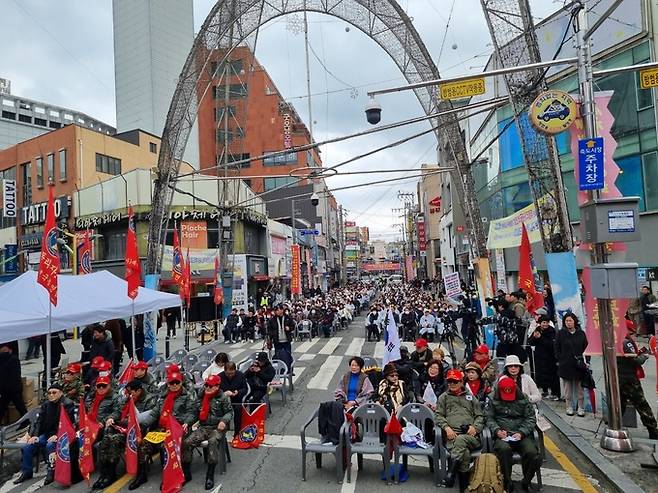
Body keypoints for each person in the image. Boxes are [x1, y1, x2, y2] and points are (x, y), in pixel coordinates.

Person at [129, 371, 197, 490]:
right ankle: (142, 475)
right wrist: (143, 425)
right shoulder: (163, 397)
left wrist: (186, 422)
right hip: (162, 429)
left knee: (164, 446)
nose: (174, 385)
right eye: (172, 383)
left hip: (178, 428)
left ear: (181, 383)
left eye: (177, 382)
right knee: (143, 444)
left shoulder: (187, 397)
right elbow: (155, 413)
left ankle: (176, 474)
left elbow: (192, 413)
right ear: (168, 384)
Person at [94, 380, 156, 489]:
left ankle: (141, 474)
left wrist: (132, 423)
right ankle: (108, 473)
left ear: (139, 391)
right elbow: (119, 411)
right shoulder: (128, 398)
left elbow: (152, 417)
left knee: (125, 441)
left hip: (141, 431)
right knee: (108, 439)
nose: (128, 394)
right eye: (127, 392)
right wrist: (111, 418)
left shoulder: (150, 400)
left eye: (131, 392)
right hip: (125, 429)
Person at [14, 382, 75, 485]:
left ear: (60, 393)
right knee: (27, 446)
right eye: (49, 393)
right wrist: (35, 436)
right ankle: (27, 472)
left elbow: (69, 424)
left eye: (54, 392)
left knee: (50, 445)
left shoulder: (68, 404)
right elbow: (39, 422)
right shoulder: (46, 405)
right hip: (47, 434)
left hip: (61, 435)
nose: (51, 395)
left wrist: (57, 435)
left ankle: (51, 471)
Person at [434, 369, 484, 492]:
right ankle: (463, 486)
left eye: (454, 382)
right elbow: (438, 415)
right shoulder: (443, 397)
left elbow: (480, 416)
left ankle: (451, 472)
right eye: (449, 381)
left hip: (470, 436)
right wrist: (446, 428)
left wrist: (475, 427)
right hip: (452, 436)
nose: (451, 384)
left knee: (461, 440)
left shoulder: (471, 397)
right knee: (465, 453)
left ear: (461, 382)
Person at [487, 376, 540, 492]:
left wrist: (521, 432)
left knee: (532, 453)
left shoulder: (523, 398)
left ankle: (527, 481)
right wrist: (497, 430)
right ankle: (507, 481)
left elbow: (531, 418)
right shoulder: (492, 399)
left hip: (520, 433)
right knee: (504, 450)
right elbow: (488, 418)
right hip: (502, 434)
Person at [181, 374, 233, 490]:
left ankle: (210, 475)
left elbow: (229, 412)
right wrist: (187, 422)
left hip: (216, 427)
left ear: (217, 386)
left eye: (210, 386)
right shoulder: (200, 397)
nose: (207, 388)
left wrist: (224, 421)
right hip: (203, 427)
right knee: (187, 442)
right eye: (206, 385)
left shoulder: (223, 398)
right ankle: (186, 472)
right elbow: (194, 413)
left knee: (212, 442)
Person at [617, 319, 658, 439]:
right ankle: (653, 429)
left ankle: (614, 423)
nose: (634, 335)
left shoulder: (617, 340)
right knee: (641, 404)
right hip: (629, 379)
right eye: (633, 333)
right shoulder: (627, 342)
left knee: (620, 404)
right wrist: (644, 356)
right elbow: (635, 361)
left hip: (620, 377)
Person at [554, 313, 588, 417]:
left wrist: (586, 361)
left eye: (570, 321)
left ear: (574, 321)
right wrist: (560, 358)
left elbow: (586, 347)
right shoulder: (561, 333)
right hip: (566, 364)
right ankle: (569, 407)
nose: (568, 323)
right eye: (566, 321)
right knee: (567, 389)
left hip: (579, 364)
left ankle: (581, 407)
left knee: (580, 389)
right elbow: (557, 347)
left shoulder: (581, 333)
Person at [528, 315, 560, 400]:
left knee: (552, 375)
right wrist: (534, 337)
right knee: (541, 375)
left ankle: (554, 392)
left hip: (550, 357)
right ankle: (544, 390)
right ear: (540, 323)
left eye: (547, 322)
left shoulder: (551, 331)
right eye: (543, 322)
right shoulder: (537, 330)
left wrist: (540, 338)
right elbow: (531, 342)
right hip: (539, 357)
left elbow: (551, 344)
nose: (545, 324)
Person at [0, 343, 27, 420]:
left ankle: (26, 421)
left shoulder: (7, 360)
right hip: (14, 388)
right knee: (20, 407)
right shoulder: (14, 359)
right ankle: (26, 421)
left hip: (7, 389)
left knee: (3, 407)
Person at [219, 362, 248, 433]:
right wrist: (223, 394)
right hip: (224, 400)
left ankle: (237, 432)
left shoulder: (240, 375)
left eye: (232, 373)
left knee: (238, 410)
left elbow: (245, 389)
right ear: (224, 371)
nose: (230, 375)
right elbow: (216, 390)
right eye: (228, 374)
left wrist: (238, 392)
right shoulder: (219, 376)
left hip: (236, 399)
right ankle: (222, 430)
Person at [266, 304, 294, 371]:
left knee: (288, 355)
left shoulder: (288, 318)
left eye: (278, 310)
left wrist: (289, 328)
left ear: (282, 310)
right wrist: (273, 334)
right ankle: (280, 370)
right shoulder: (272, 320)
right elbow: (269, 330)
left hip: (286, 340)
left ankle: (289, 370)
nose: (277, 312)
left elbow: (293, 326)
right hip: (277, 341)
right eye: (275, 310)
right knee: (278, 356)